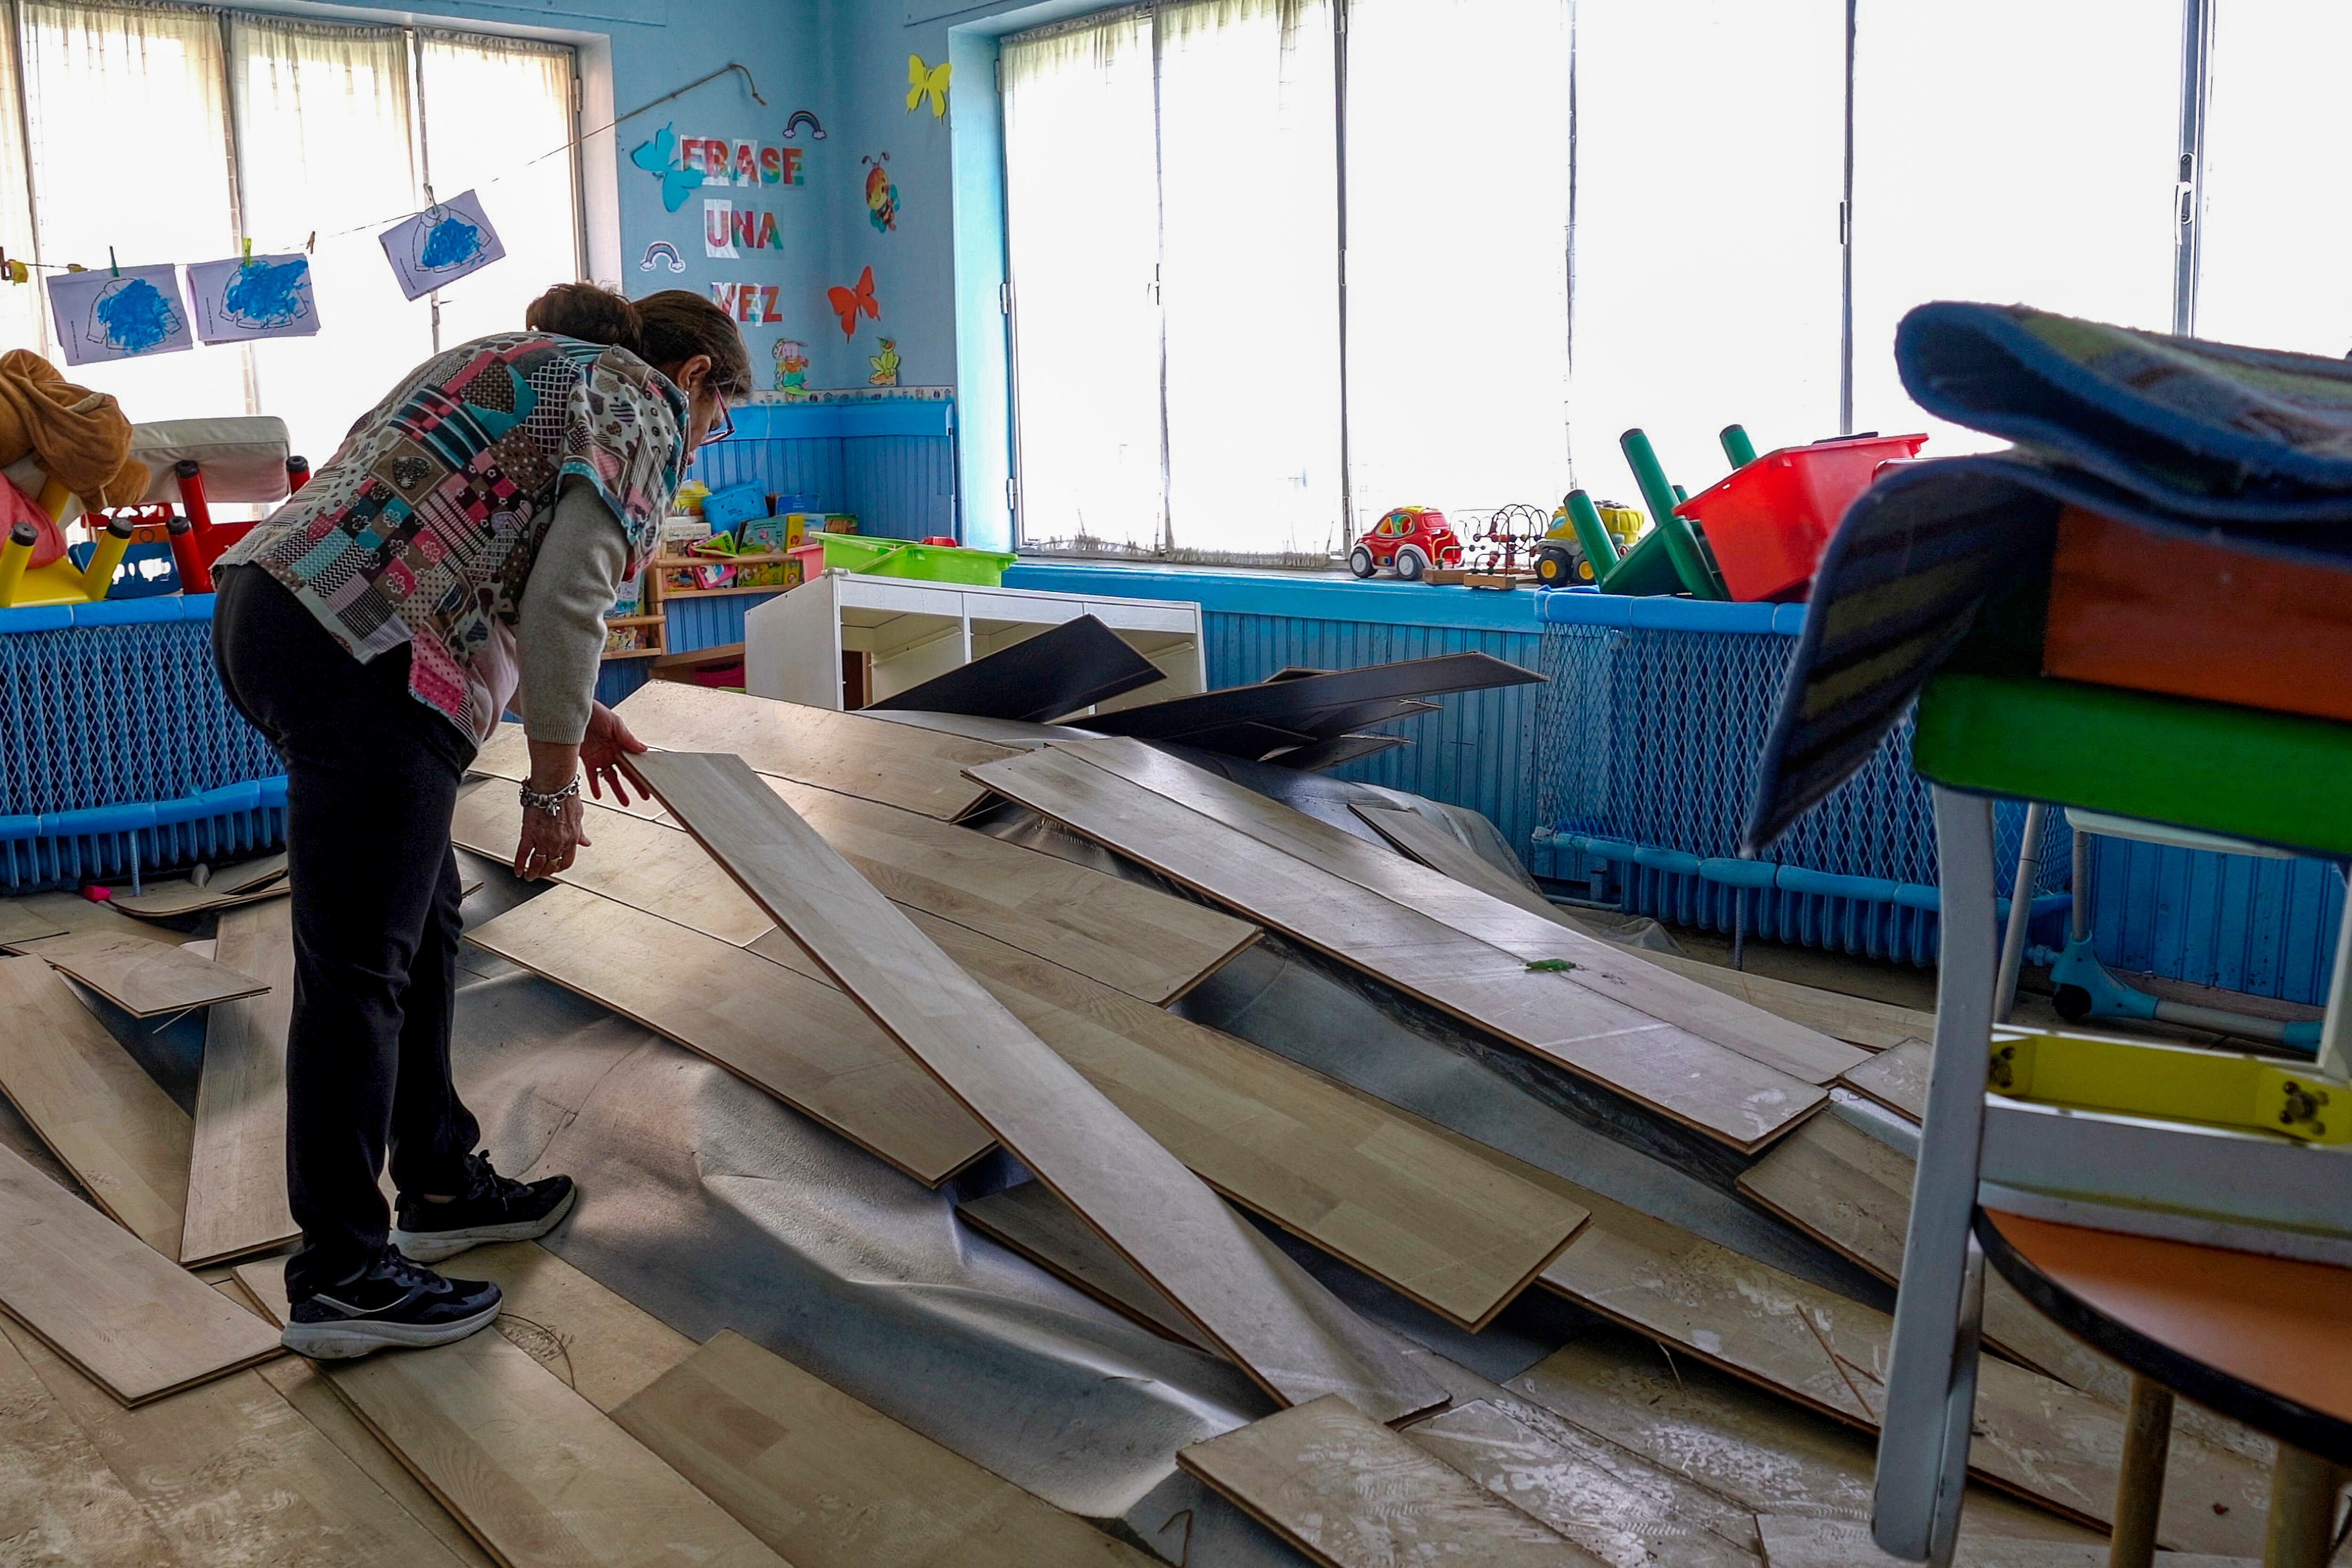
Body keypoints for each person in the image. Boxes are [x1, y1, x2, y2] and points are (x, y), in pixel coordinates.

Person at [211, 284, 750, 1358]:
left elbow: (491, 555)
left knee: (423, 921)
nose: (705, 438)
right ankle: (342, 1272)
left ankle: (442, 1178)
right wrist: (550, 781)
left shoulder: (525, 357)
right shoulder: (638, 400)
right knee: (360, 966)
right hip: (365, 650)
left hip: (278, 604)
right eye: (718, 418)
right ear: (694, 377)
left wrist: (580, 712)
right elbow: (566, 602)